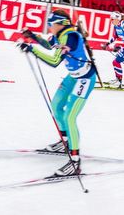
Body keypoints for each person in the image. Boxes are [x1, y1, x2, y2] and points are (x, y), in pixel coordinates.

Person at [18, 10, 97, 176]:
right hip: (73, 76)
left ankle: (75, 162)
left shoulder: (71, 37)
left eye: (51, 25)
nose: (49, 28)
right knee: (56, 105)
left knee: (70, 117)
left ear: (61, 24)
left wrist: (32, 50)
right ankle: (65, 142)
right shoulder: (59, 35)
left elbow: (54, 61)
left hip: (85, 79)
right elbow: (49, 45)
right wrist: (32, 36)